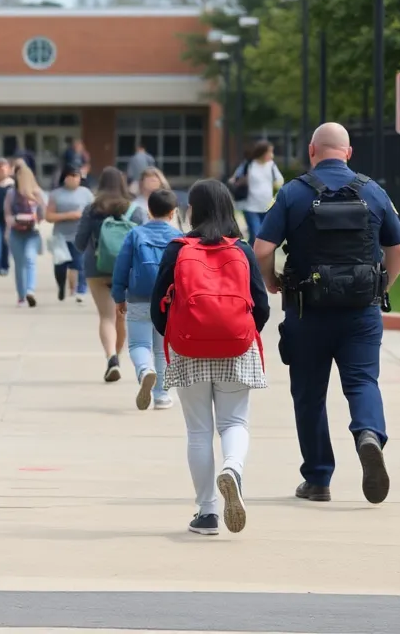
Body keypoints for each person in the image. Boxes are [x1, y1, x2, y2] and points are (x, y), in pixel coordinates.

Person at [252, 123, 400, 506]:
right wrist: (381, 287)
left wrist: (271, 281)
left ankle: (318, 478)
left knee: (309, 395)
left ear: (312, 151)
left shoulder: (293, 193)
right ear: (348, 153)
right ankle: (368, 434)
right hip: (361, 312)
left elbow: (261, 248)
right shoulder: (373, 191)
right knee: (362, 382)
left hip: (307, 311)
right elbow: (399, 248)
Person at [151, 179, 270, 536]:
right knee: (234, 423)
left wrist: (176, 335)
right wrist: (240, 332)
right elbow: (261, 306)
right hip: (236, 348)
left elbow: (158, 306)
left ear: (195, 210)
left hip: (189, 349)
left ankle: (207, 513)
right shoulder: (242, 249)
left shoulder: (178, 249)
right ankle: (232, 468)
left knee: (198, 431)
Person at [113, 188, 183, 411]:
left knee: (138, 344)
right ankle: (161, 395)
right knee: (162, 349)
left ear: (148, 211)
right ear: (172, 213)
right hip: (168, 301)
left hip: (138, 298)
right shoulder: (179, 237)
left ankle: (144, 370)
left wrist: (119, 296)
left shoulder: (135, 234)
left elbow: (121, 267)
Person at [75, 167, 146, 381]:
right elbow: (143, 243)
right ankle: (118, 358)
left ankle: (111, 357)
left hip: (96, 267)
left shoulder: (92, 209)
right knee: (120, 316)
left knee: (106, 317)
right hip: (126, 270)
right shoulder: (135, 210)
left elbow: (79, 243)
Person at [45, 166, 94, 303]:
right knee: (60, 265)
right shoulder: (56, 194)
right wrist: (68, 215)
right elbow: (48, 216)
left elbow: (93, 212)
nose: (74, 179)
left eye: (76, 176)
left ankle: (81, 290)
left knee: (81, 264)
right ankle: (61, 286)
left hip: (79, 235)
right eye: (71, 175)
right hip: (60, 236)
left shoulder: (86, 193)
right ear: (64, 177)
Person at [3, 158, 47, 307]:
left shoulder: (37, 193)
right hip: (16, 233)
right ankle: (21, 296)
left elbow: (43, 214)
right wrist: (16, 220)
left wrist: (37, 213)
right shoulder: (11, 194)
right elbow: (7, 214)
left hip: (32, 233)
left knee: (30, 259)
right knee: (19, 265)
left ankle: (30, 291)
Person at [238, 141, 284, 245]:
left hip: (267, 207)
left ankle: (250, 252)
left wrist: (276, 184)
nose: (271, 155)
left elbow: (280, 180)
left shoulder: (271, 165)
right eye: (269, 152)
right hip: (250, 207)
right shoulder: (249, 164)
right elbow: (236, 178)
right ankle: (251, 253)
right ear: (262, 152)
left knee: (263, 237)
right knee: (256, 235)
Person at [132, 167, 185, 231]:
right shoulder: (135, 205)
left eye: (154, 180)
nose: (151, 183)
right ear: (141, 183)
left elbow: (175, 226)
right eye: (149, 180)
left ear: (161, 182)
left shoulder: (168, 202)